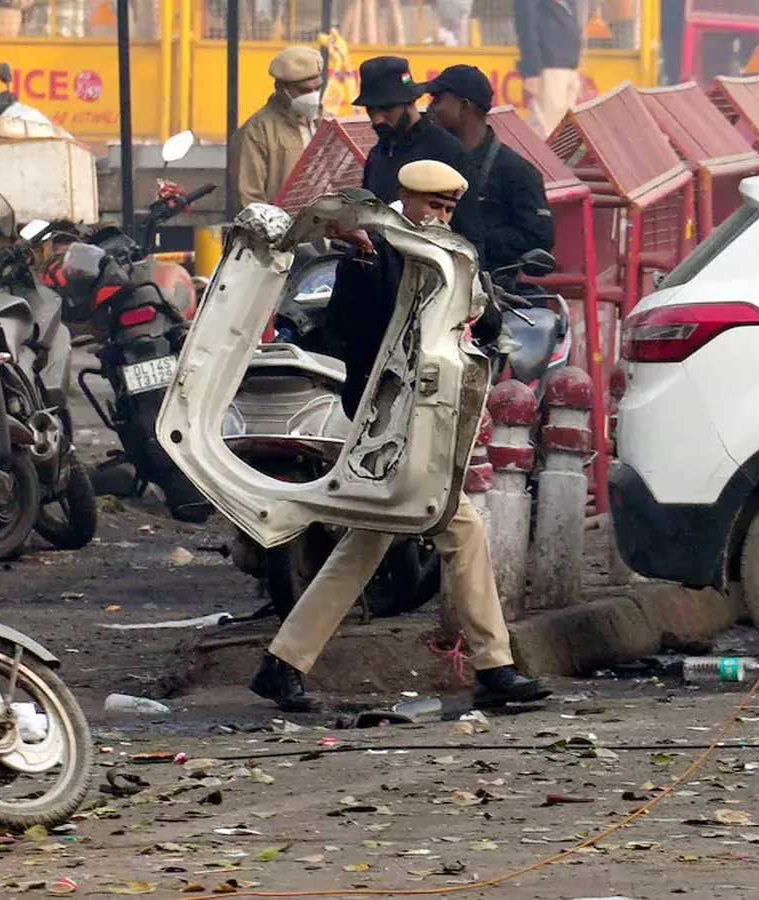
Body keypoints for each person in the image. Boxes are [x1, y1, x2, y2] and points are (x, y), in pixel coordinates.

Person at [248, 160, 551, 713]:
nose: (437, 216)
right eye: (430, 206)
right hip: (383, 423)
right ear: (403, 201)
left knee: (367, 542)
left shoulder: (448, 256)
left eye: (447, 209)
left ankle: (282, 663)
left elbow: (480, 325)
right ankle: (494, 667)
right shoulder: (374, 253)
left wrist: (477, 295)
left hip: (419, 421)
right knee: (460, 528)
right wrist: (365, 255)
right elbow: (350, 327)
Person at [423, 64, 555, 273]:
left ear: (464, 106)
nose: (430, 108)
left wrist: (469, 238)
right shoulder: (429, 160)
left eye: (437, 100)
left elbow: (538, 237)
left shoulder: (517, 172)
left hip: (493, 290)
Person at [356, 56, 474, 205]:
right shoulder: (377, 155)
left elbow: (466, 223)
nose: (377, 119)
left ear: (410, 102)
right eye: (370, 110)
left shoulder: (448, 152)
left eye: (386, 108)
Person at [230, 46, 327, 209]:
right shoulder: (257, 131)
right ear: (281, 88)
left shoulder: (324, 122)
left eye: (317, 88)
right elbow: (249, 200)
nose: (313, 96)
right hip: (281, 231)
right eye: (304, 90)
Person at [515, 0, 583, 137]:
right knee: (543, 132)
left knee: (563, 136)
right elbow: (526, 25)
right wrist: (532, 72)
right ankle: (535, 158)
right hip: (549, 68)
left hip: (569, 66)